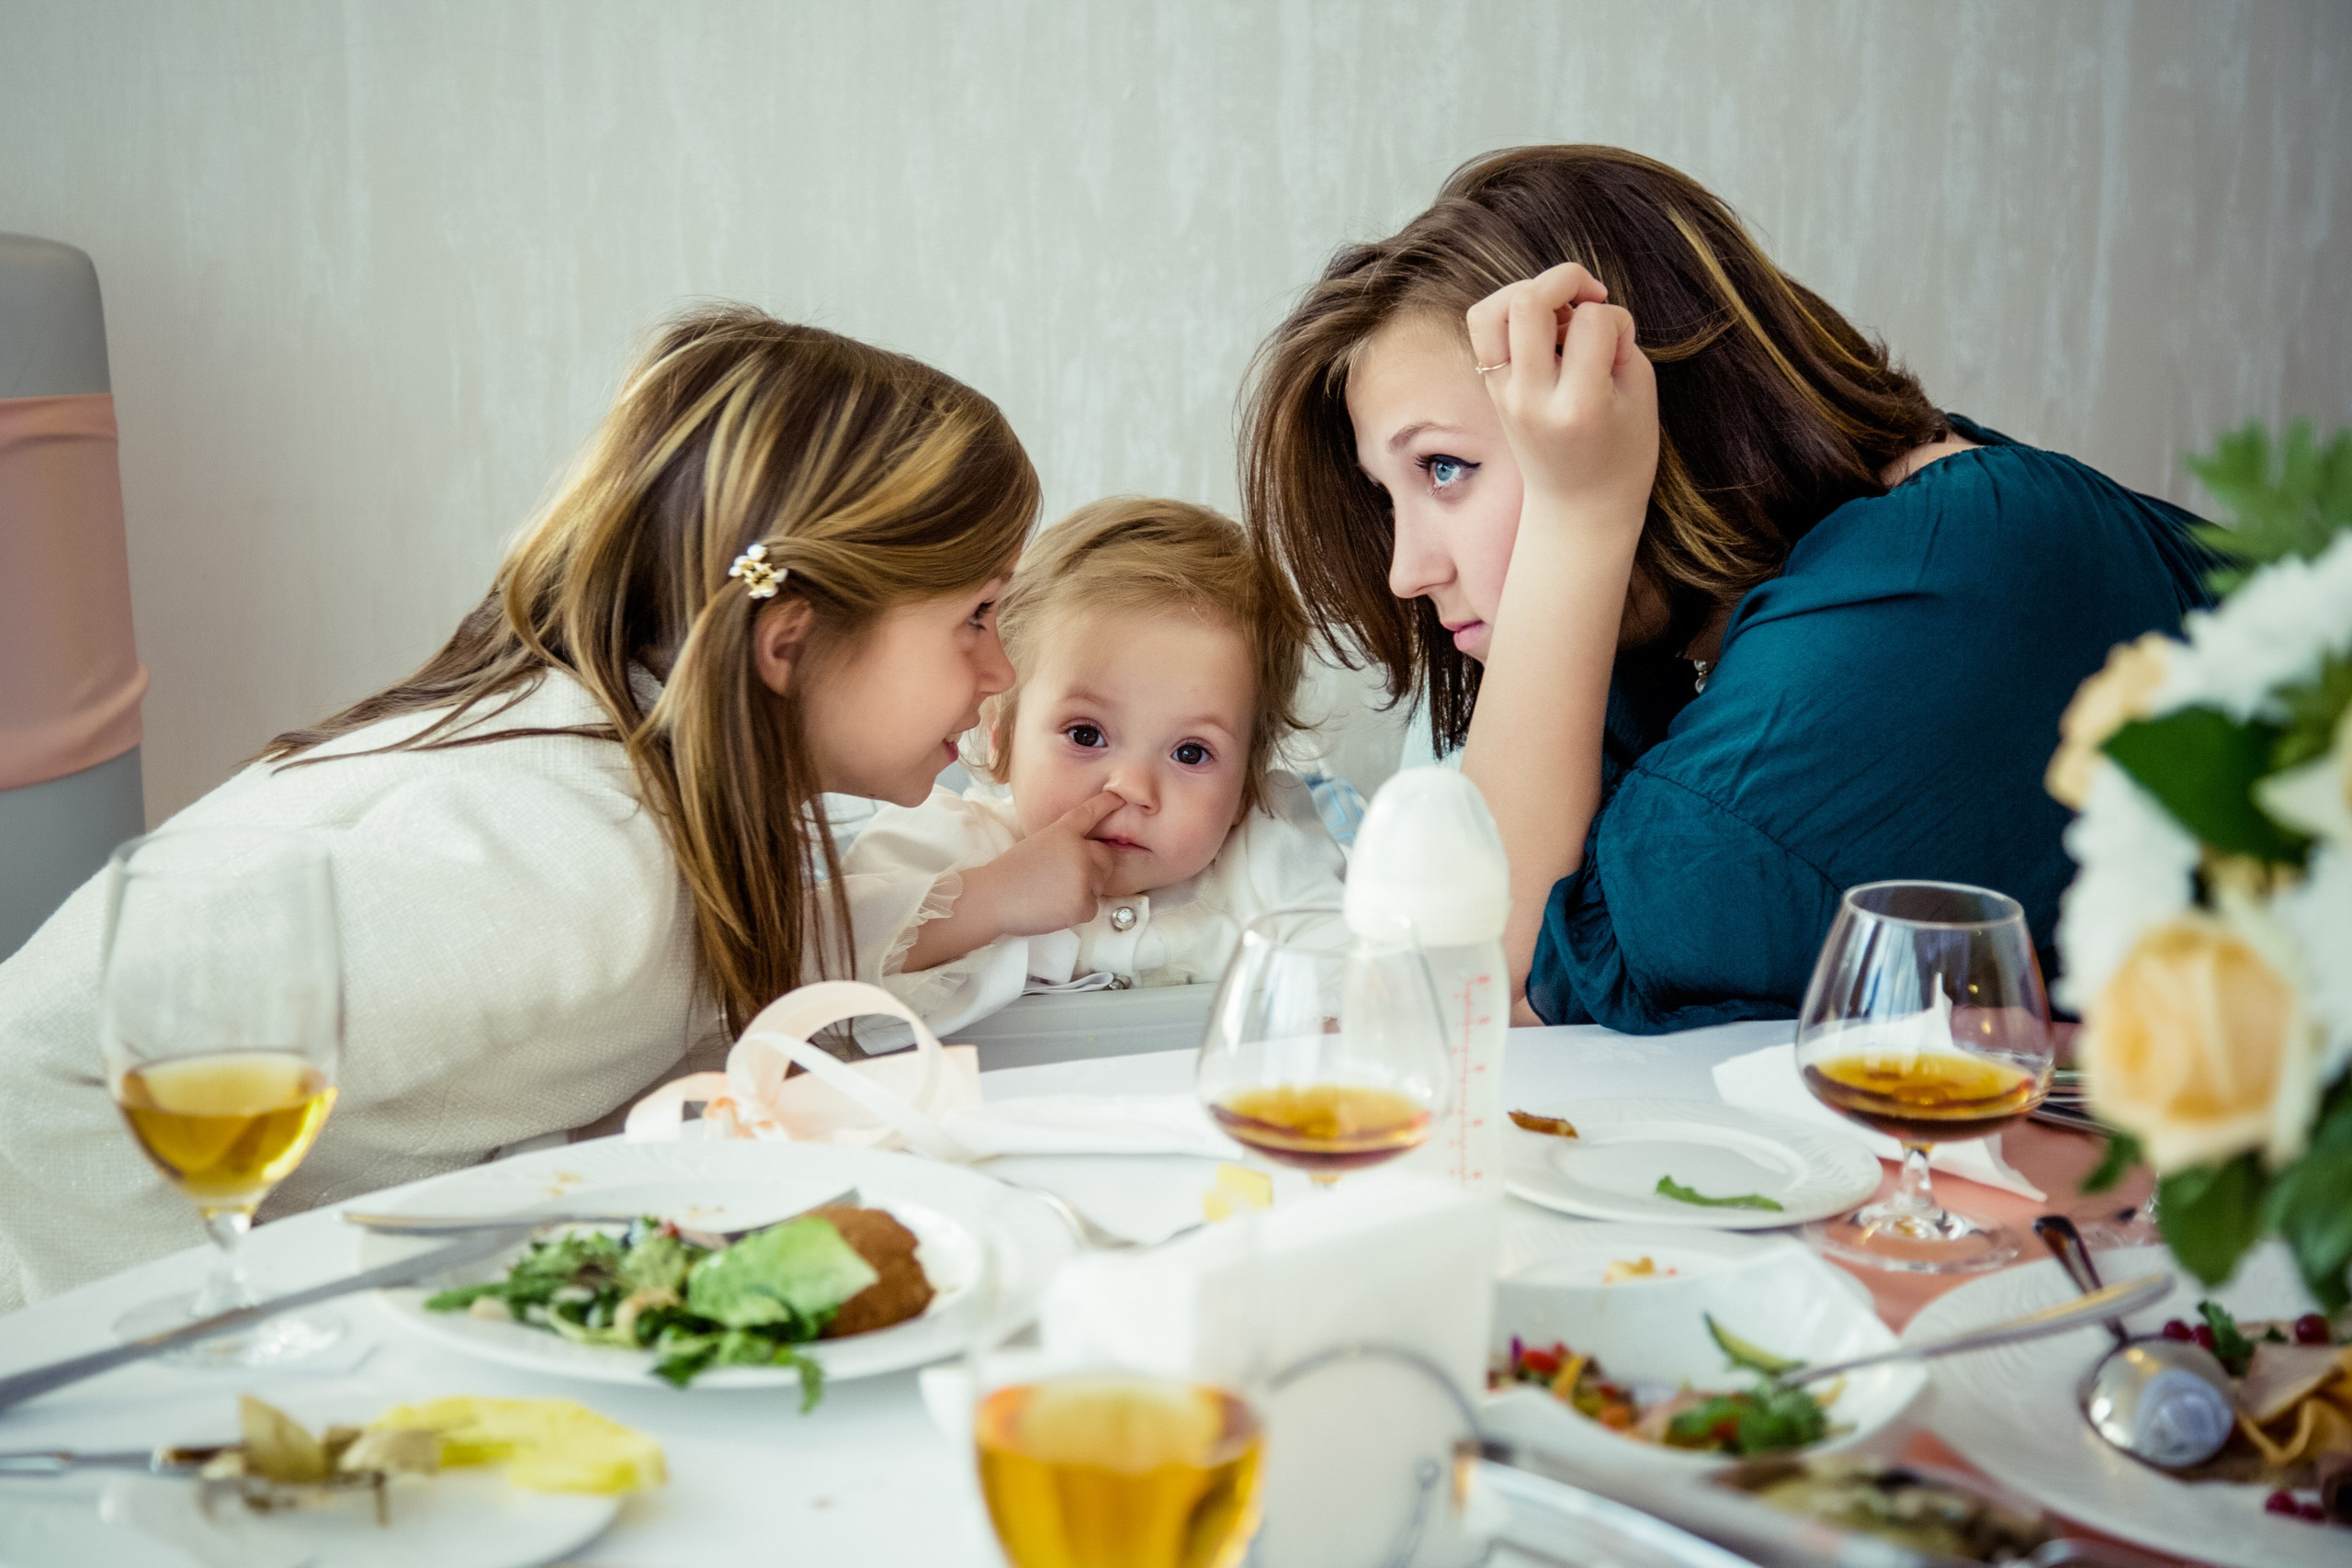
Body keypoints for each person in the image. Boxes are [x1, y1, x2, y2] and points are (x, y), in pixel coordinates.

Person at [0, 306, 1036, 1306]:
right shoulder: (577, 858)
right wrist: (192, 1363)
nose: (1001, 669)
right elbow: (42, 1055)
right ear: (790, 640)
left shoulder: (638, 780)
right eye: (978, 616)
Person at [1242, 145, 2211, 1032]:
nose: (1407, 571)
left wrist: (1580, 513)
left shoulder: (1920, 609)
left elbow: (1475, 977)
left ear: (1630, 401)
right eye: (1391, 494)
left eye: (1444, 469)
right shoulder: (1730, 628)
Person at [839, 498, 1344, 1035]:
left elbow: (1360, 979)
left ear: (1245, 784)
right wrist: (994, 897)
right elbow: (798, 971)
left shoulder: (1265, 852)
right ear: (999, 733)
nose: (1133, 788)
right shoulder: (950, 846)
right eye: (1086, 735)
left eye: (1191, 752)